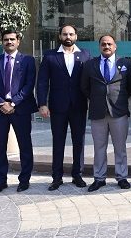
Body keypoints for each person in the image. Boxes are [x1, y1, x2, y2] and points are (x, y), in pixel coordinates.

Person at [37, 24, 91, 191]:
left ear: (76, 36)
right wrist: (42, 104)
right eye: (65, 34)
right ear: (60, 36)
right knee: (58, 141)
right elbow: (42, 81)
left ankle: (77, 174)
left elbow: (90, 80)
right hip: (57, 106)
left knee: (79, 141)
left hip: (79, 105)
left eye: (71, 34)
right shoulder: (50, 56)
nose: (68, 37)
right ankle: (57, 177)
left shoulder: (85, 55)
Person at [0, 29, 38, 194]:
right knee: (0, 147)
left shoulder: (28, 61)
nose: (9, 42)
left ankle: (24, 180)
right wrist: (1, 102)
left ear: (18, 41)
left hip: (21, 109)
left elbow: (29, 85)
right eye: (6, 39)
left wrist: (13, 103)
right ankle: (1, 181)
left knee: (25, 145)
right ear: (2, 42)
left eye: (12, 39)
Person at [80, 35, 131, 192]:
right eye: (103, 44)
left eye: (109, 44)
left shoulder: (125, 63)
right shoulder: (90, 64)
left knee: (120, 147)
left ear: (115, 46)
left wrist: (119, 99)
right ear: (99, 47)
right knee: (99, 148)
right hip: (98, 112)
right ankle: (99, 178)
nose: (106, 46)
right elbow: (84, 87)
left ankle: (122, 177)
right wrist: (97, 99)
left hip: (119, 112)